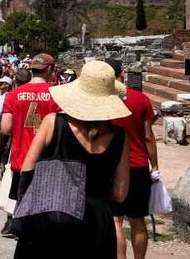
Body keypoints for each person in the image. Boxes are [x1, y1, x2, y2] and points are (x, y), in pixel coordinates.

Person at [13, 60, 130, 259]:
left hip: (53, 211)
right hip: (97, 220)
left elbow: (27, 168)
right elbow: (120, 193)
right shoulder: (119, 136)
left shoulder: (53, 122)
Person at [0, 53, 60, 237]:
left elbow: (5, 128)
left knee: (22, 204)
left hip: (21, 160)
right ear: (49, 69)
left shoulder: (13, 95)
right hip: (48, 160)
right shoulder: (56, 94)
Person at [105, 60, 159, 259]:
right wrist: (155, 166)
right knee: (138, 220)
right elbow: (148, 136)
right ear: (123, 74)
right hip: (137, 164)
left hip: (112, 165)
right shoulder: (141, 99)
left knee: (116, 220)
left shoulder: (104, 100)